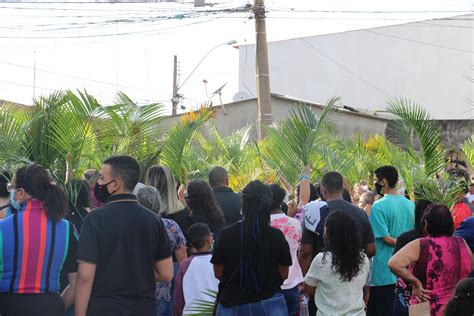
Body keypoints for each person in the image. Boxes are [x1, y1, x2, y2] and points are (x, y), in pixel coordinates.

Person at [75, 156, 173, 316]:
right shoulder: (154, 220)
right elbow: (166, 273)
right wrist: (135, 271)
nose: (98, 184)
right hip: (143, 308)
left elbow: (85, 276)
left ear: (115, 184)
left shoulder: (95, 219)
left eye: (102, 178)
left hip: (105, 307)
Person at [0, 164, 78, 316]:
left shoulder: (2, 228)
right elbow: (78, 282)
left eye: (12, 188)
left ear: (21, 193)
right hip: (50, 307)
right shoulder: (68, 229)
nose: (12, 194)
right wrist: (56, 307)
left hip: (8, 307)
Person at [211, 180, 292, 315]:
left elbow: (218, 272)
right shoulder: (276, 236)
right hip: (270, 302)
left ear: (243, 202)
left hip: (232, 303)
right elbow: (284, 273)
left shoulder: (226, 234)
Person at [388, 204, 473, 316]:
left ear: (426, 224)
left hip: (424, 307)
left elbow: (393, 263)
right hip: (454, 307)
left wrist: (415, 282)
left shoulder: (422, 244)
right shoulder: (461, 243)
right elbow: (470, 265)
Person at [368, 165, 414, 316]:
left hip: (384, 272)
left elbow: (386, 238)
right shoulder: (410, 205)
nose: (374, 183)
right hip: (406, 269)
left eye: (375, 180)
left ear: (384, 182)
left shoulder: (378, 206)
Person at [304, 210, 370, 316]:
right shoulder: (363, 259)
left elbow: (309, 287)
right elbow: (362, 287)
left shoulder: (322, 260)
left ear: (329, 234)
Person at [136, 185, 187, 316]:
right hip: (164, 291)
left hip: (137, 291)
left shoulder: (131, 226)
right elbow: (183, 261)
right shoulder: (171, 226)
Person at [269, 184, 304, 316]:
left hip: (270, 286)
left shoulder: (261, 224)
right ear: (281, 200)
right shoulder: (294, 223)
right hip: (292, 282)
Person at [174, 223, 219, 316]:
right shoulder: (218, 262)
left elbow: (178, 297)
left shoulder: (185, 265)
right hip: (214, 311)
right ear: (209, 240)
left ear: (190, 243)